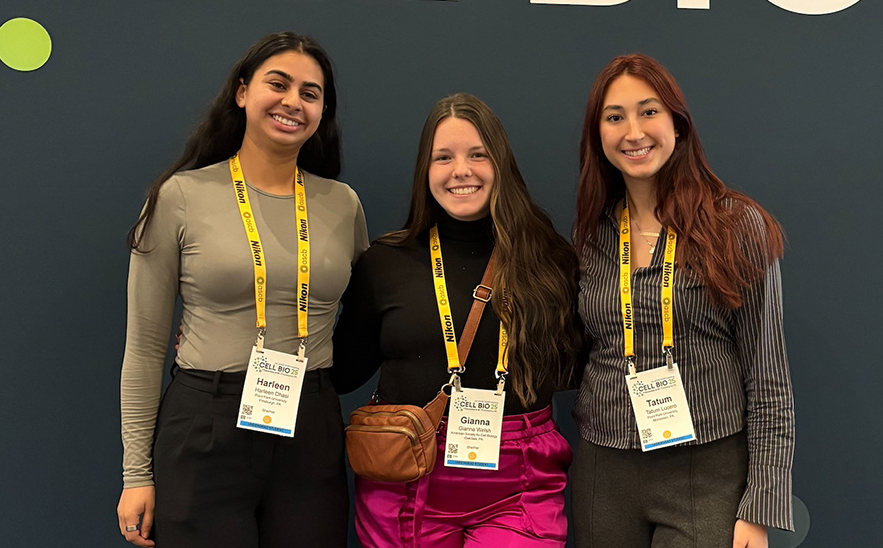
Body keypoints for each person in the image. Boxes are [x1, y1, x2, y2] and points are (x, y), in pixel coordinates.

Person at [116, 32, 368, 548]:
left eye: (310, 92)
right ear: (242, 91)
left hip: (309, 423)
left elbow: (369, 320)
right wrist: (135, 474)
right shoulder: (180, 196)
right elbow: (143, 348)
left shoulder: (342, 204)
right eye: (278, 83)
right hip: (205, 420)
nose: (292, 101)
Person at [332, 93, 582, 547]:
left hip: (520, 480)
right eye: (442, 157)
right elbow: (343, 371)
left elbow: (578, 364)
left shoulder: (550, 258)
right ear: (425, 172)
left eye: (477, 155)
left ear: (500, 163)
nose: (460, 170)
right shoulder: (386, 262)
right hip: (406, 474)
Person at [570, 54, 794, 548]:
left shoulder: (736, 226)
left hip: (706, 472)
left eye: (648, 111)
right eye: (615, 117)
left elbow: (768, 377)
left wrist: (761, 504)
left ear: (677, 122)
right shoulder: (593, 235)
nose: (633, 132)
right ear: (598, 134)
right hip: (603, 472)